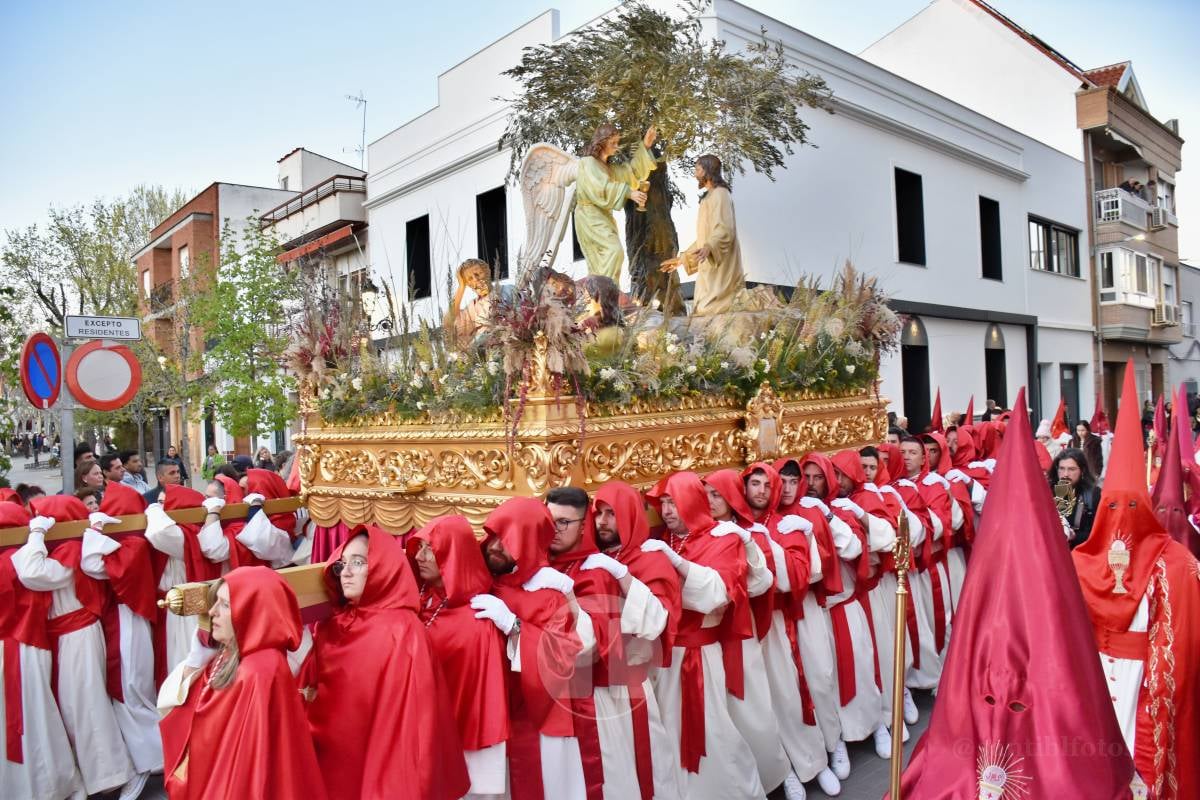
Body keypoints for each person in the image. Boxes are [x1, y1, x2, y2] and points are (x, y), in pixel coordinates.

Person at [1073, 366, 1200, 798]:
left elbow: (1181, 638)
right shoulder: (1080, 559)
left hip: (1143, 679)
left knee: (1136, 759)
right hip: (1093, 676)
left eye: (1132, 505)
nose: (1121, 517)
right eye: (1113, 506)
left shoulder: (1176, 564)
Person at [303, 525, 470, 800]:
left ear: (384, 567)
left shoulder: (403, 630)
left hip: (379, 770)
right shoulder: (332, 625)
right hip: (332, 762)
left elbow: (413, 727)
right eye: (342, 564)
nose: (346, 572)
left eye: (359, 563)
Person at [643, 471, 765, 800]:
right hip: (662, 658)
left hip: (699, 656)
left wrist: (677, 565)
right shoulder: (658, 540)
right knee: (665, 734)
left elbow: (717, 593)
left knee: (714, 733)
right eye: (663, 503)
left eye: (673, 502)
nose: (667, 510)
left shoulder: (721, 538)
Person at [158, 568, 328, 800]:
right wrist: (195, 661)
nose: (212, 612)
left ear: (252, 612)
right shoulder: (232, 654)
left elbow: (250, 769)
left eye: (225, 605)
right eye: (216, 601)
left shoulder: (259, 671)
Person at [12, 496, 139, 798]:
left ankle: (117, 773)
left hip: (77, 633)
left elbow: (31, 573)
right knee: (73, 708)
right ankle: (94, 771)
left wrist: (37, 535)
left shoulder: (69, 549)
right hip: (66, 634)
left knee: (86, 707)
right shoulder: (63, 548)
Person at [544, 485, 661, 800]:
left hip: (595, 694)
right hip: (555, 694)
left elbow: (585, 644)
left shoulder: (595, 571)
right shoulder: (544, 562)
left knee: (608, 777)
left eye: (564, 523)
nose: (554, 530)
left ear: (583, 525)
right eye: (550, 520)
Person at [474, 497, 595, 799]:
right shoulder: (483, 579)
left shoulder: (549, 594)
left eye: (506, 540)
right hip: (492, 720)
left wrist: (514, 626)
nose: (493, 547)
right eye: (493, 535)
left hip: (537, 723)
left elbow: (560, 659)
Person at [701, 470, 795, 798]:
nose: (711, 502)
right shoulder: (692, 535)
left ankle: (779, 771)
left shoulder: (746, 534)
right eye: (706, 494)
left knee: (755, 707)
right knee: (724, 716)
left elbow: (765, 581)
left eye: (717, 495)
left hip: (743, 632)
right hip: (708, 640)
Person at [591, 481, 686, 800]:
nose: (602, 522)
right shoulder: (593, 559)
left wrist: (622, 577)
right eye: (598, 514)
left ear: (630, 516)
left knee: (653, 759)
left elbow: (658, 620)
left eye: (611, 514)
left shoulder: (651, 560)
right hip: (602, 682)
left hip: (643, 678)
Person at [409, 517, 510, 800]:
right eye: (420, 547)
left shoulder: (479, 618)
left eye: (430, 548)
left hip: (464, 747)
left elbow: (481, 703)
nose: (419, 556)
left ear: (453, 554)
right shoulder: (418, 600)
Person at [0, 500, 83, 800]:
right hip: (27, 645)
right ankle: (50, 783)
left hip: (19, 646)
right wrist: (35, 536)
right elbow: (34, 573)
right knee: (37, 714)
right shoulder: (25, 556)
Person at [660, 155, 745, 316]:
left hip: (721, 266)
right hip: (709, 265)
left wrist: (709, 247)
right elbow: (703, 239)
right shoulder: (709, 197)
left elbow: (725, 228)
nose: (695, 174)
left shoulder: (721, 194)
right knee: (702, 308)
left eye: (698, 170)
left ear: (708, 171)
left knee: (708, 308)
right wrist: (681, 260)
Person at [574, 122, 658, 280]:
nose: (616, 146)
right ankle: (605, 292)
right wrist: (628, 193)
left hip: (603, 217)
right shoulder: (588, 163)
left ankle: (605, 294)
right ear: (602, 141)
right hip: (589, 217)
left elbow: (631, 173)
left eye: (617, 142)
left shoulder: (608, 168)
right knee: (613, 251)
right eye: (613, 143)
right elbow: (600, 188)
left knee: (609, 257)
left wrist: (645, 145)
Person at [1049, 448, 1099, 549]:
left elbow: (1099, 532)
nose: (1066, 474)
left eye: (1071, 469)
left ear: (1082, 470)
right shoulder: (1046, 491)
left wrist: (1074, 536)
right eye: (1062, 468)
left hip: (1079, 554)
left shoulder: (1093, 494)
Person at [445, 258, 499, 344]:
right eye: (470, 279)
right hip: (484, 349)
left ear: (488, 272)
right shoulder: (473, 306)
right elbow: (448, 323)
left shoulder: (509, 289)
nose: (476, 279)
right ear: (468, 284)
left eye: (478, 274)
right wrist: (461, 287)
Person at [577, 274, 625, 357]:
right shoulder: (584, 318)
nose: (584, 295)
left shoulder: (613, 333)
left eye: (586, 290)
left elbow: (586, 352)